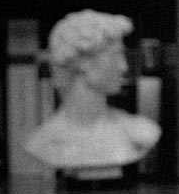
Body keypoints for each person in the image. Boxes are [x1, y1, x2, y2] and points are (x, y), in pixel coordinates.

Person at [23, 9, 161, 171]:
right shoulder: (44, 141)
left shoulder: (140, 131)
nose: (123, 67)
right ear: (83, 62)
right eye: (115, 55)